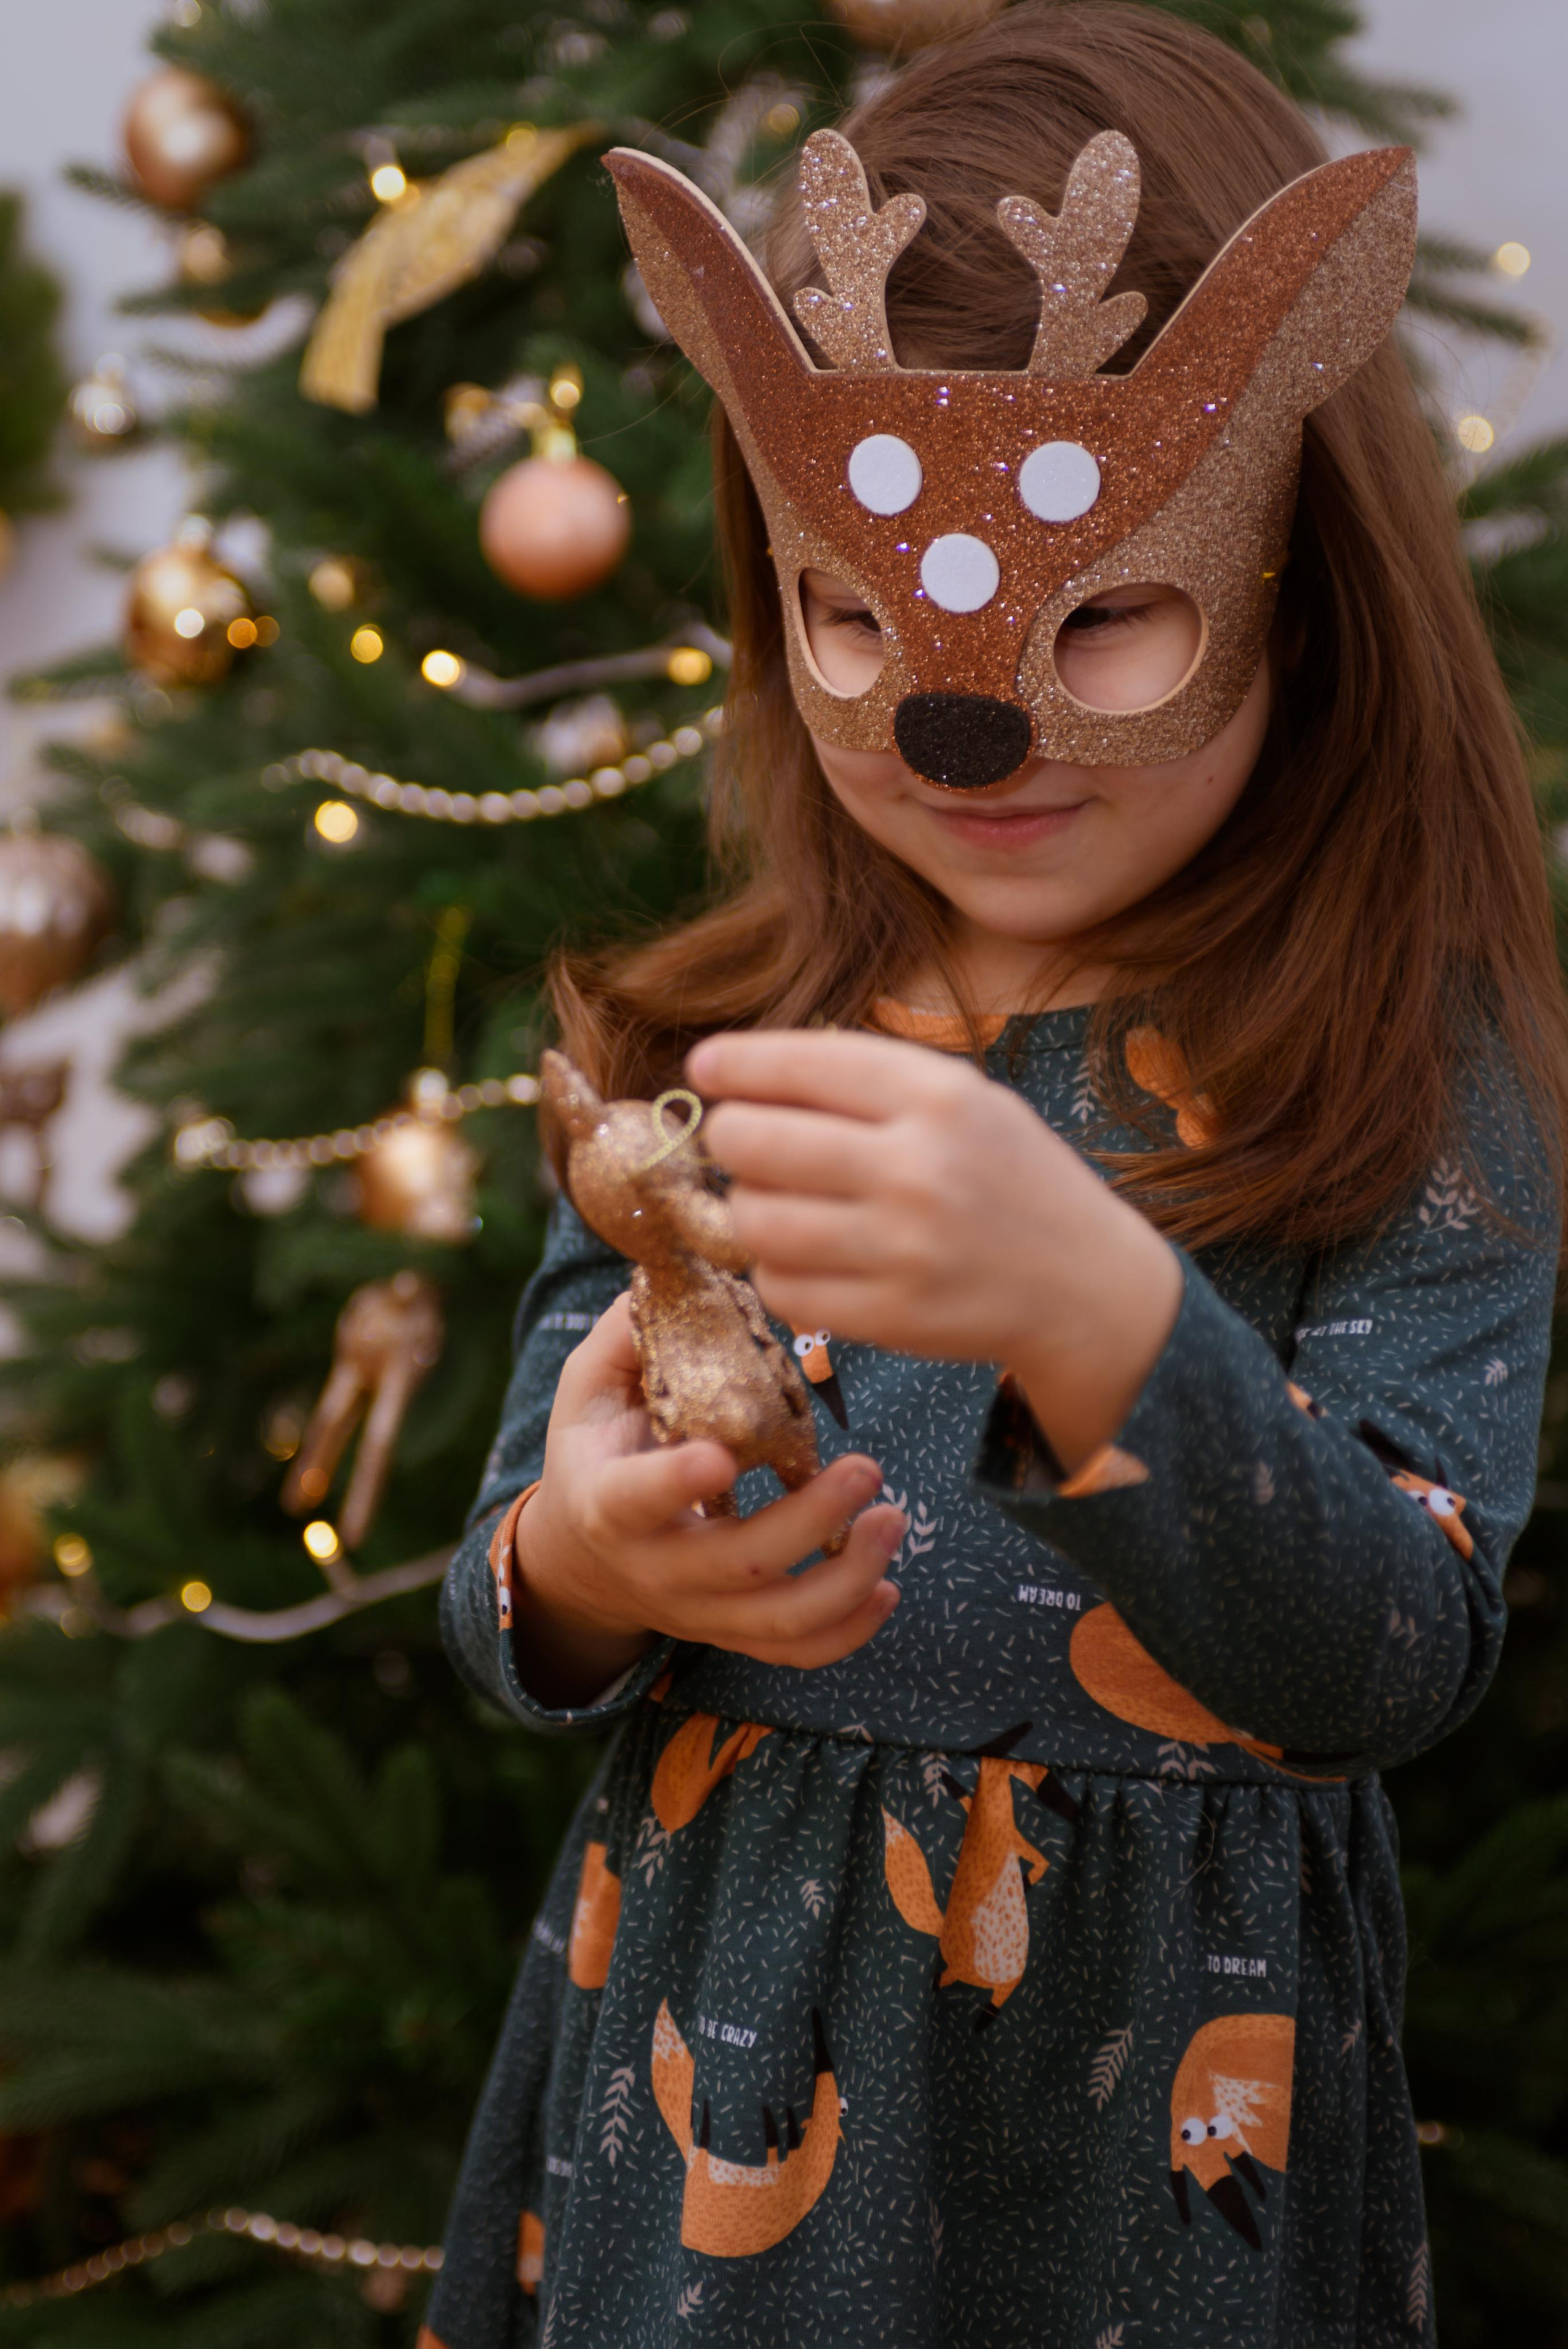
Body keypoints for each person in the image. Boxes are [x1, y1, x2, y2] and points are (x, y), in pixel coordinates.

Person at [422, 9, 1567, 2345]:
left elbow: (1390, 1650)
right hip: (705, 2087)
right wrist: (585, 1551)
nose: (970, 713)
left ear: (1302, 584)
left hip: (1155, 2152)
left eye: (1104, 611)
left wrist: (1103, 1317)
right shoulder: (705, 1050)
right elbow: (509, 1579)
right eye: (861, 610)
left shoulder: (1402, 1062)